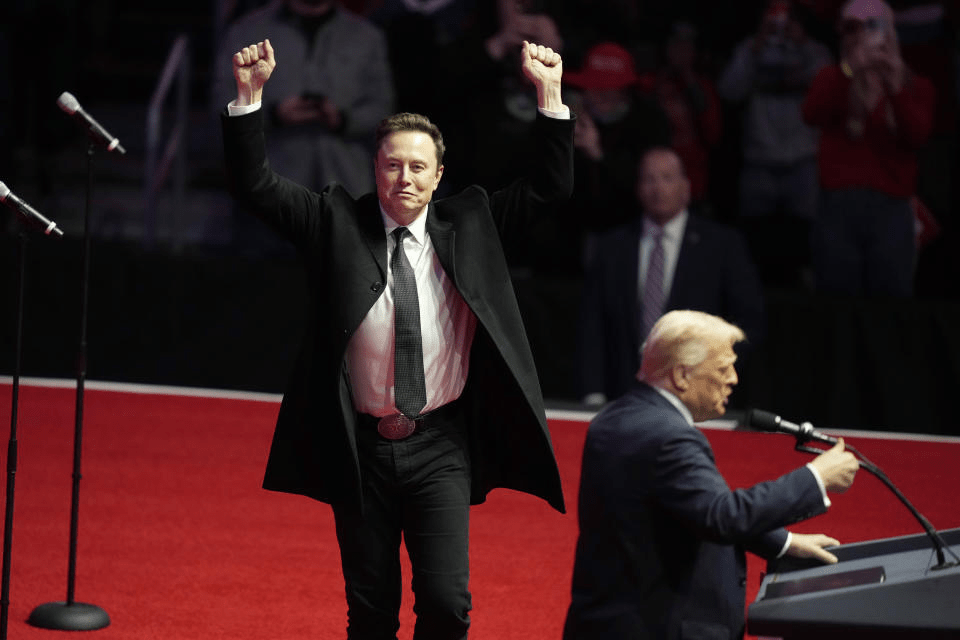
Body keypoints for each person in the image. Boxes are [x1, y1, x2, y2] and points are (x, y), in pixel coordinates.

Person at [221, 37, 571, 639]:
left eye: (417, 167)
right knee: (371, 611)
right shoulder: (334, 221)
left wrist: (551, 96)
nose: (403, 178)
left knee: (445, 602)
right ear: (374, 169)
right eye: (391, 164)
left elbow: (549, 189)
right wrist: (250, 97)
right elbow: (258, 188)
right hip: (360, 450)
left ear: (438, 177)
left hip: (441, 445)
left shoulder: (473, 222)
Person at [563, 309, 860, 640]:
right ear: (682, 376)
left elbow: (685, 506)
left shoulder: (615, 418)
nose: (733, 378)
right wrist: (815, 477)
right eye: (723, 368)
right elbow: (720, 517)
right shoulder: (668, 437)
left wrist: (783, 542)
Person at [577, 147, 765, 406]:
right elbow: (592, 326)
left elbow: (748, 322)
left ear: (686, 187)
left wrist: (712, 376)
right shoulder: (613, 248)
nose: (658, 188)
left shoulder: (721, 246)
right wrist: (593, 393)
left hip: (697, 398)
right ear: (638, 188)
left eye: (667, 178)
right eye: (649, 179)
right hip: (622, 397)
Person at [213, 0, 394, 255]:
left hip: (345, 188)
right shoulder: (247, 31)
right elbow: (222, 104)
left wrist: (342, 119)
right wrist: (274, 114)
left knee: (341, 287)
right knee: (261, 285)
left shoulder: (365, 35)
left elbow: (382, 107)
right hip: (267, 189)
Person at [802, 0, 935, 297]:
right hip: (838, 207)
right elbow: (812, 114)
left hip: (892, 208)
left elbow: (917, 136)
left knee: (890, 302)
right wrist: (850, 69)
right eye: (851, 27)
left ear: (890, 32)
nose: (860, 35)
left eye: (871, 26)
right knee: (837, 300)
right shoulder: (832, 77)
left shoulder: (917, 85)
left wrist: (894, 84)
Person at [717, 0, 832, 289]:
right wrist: (757, 46)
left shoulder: (815, 51)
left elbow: (830, 87)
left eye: (787, 22)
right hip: (760, 159)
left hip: (802, 158)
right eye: (774, 21)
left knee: (805, 235)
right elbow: (729, 91)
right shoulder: (750, 49)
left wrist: (801, 43)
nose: (780, 28)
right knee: (756, 235)